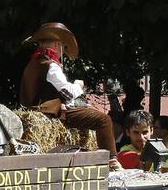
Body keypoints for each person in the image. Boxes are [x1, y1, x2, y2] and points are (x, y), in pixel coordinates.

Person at [17, 22, 116, 159]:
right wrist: (78, 85)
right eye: (63, 46)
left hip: (37, 113)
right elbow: (69, 93)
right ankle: (112, 160)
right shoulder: (50, 65)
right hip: (48, 113)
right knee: (103, 120)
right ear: (57, 44)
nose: (63, 50)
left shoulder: (33, 64)